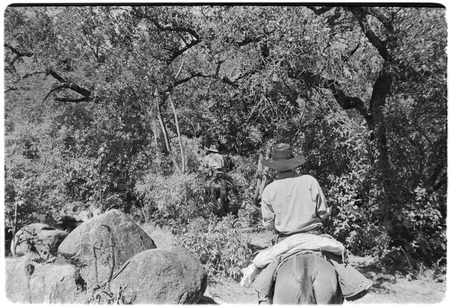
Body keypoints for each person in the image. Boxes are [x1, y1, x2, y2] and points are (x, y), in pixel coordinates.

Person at [253, 143, 372, 303]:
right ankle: (354, 287)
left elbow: (269, 224)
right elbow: (323, 213)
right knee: (340, 259)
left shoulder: (269, 189)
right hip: (314, 237)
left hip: (285, 242)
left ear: (275, 166)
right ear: (293, 162)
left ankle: (264, 299)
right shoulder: (309, 181)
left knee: (264, 273)